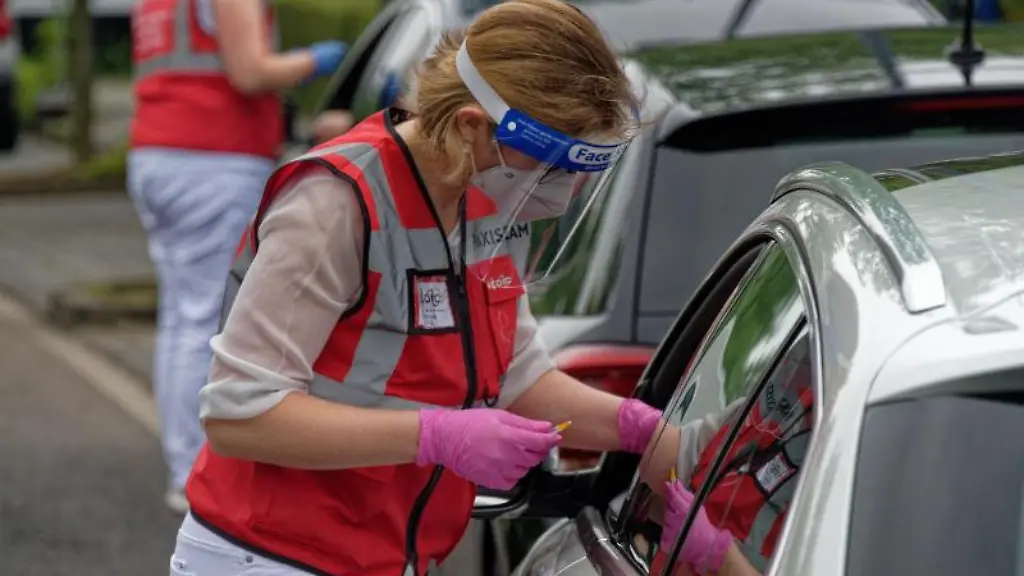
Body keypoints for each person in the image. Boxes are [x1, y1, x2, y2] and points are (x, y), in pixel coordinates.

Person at [167, 1, 672, 575]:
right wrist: (434, 435)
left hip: (390, 558)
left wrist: (646, 430)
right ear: (470, 127)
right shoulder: (337, 204)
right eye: (553, 167)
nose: (565, 192)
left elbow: (518, 376)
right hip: (270, 555)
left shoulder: (488, 196)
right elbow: (239, 418)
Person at [129, 0, 348, 513]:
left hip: (159, 154)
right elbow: (250, 71)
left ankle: (184, 463)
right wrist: (314, 60)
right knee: (205, 315)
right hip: (213, 158)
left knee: (181, 316)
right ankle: (194, 472)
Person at [655, 343, 814, 576]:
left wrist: (719, 557)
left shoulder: (862, 475)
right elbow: (688, 452)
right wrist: (639, 429)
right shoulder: (804, 358)